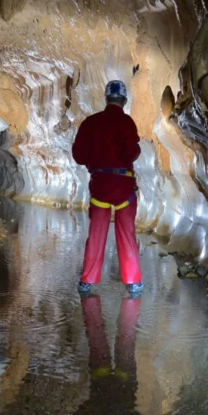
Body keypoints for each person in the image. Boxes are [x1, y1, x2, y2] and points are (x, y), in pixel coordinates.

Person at [71, 80, 143, 297]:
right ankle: (133, 282)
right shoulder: (126, 122)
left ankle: (87, 282)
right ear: (124, 100)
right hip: (123, 185)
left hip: (100, 184)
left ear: (106, 99)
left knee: (96, 233)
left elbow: (79, 156)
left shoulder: (90, 123)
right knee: (126, 233)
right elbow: (131, 153)